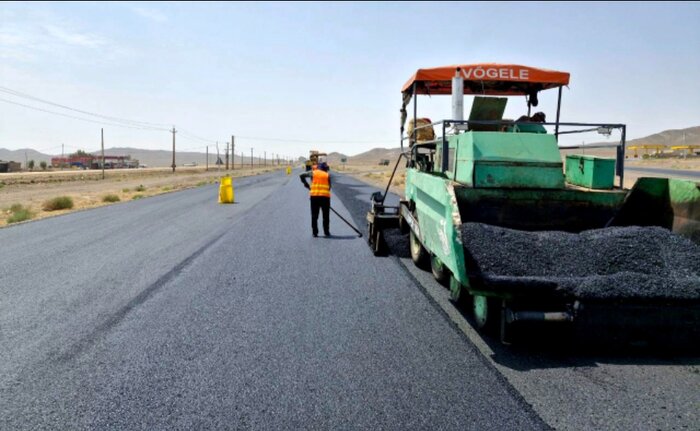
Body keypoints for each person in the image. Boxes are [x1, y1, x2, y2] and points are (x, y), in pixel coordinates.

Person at [299, 162, 331, 237]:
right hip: (325, 198)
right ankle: (326, 232)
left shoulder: (313, 173)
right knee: (326, 216)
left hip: (314, 197)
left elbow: (301, 175)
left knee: (314, 216)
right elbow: (329, 187)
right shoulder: (327, 175)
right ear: (324, 168)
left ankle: (315, 232)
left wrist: (307, 185)